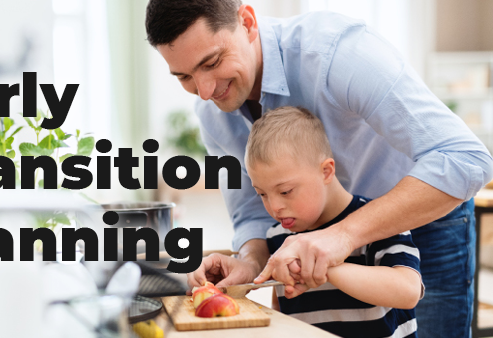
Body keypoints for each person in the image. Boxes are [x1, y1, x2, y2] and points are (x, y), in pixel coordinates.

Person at [145, 1, 493, 337]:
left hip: (421, 217)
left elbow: (465, 159)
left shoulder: (337, 54)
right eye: (184, 77)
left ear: (247, 23)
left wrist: (341, 236)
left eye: (212, 62)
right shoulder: (211, 116)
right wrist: (250, 261)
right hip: (314, 248)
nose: (204, 92)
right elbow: (251, 213)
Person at [245, 106, 422, 337]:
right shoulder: (279, 237)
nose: (274, 206)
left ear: (326, 171)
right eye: (262, 194)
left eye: (286, 191)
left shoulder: (377, 222)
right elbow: (283, 310)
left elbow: (408, 291)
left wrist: (322, 268)